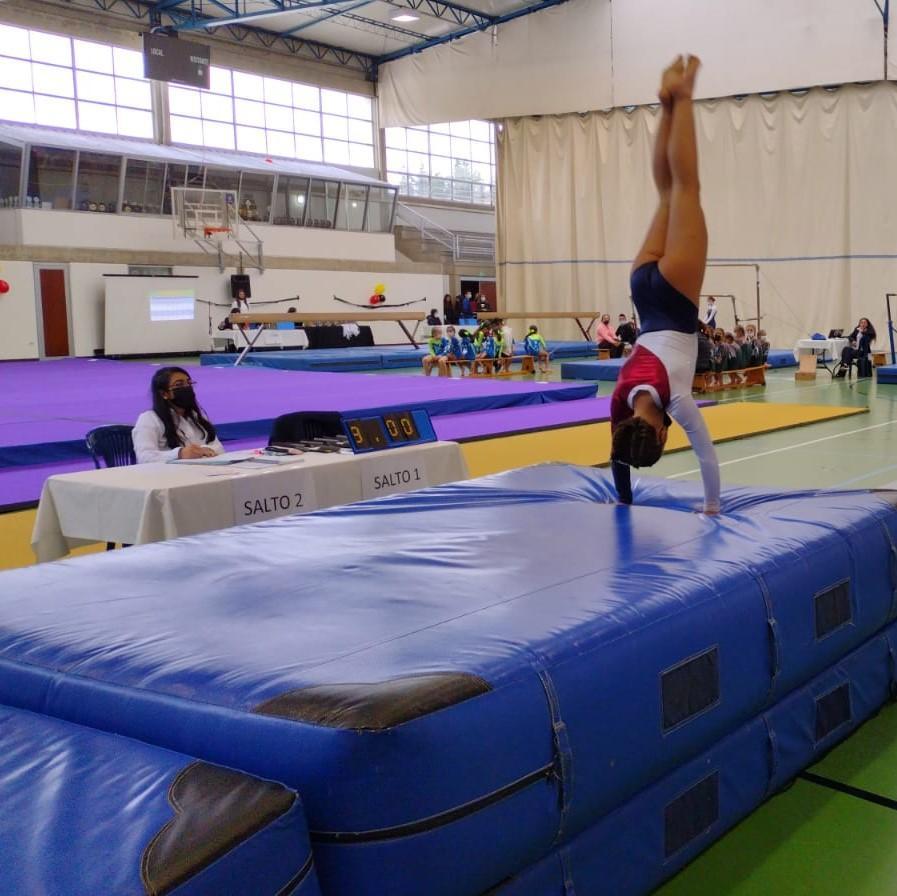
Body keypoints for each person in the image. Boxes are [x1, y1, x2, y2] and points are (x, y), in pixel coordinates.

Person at [610, 55, 720, 514]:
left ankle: (684, 96)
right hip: (642, 289)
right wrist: (623, 498)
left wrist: (711, 506)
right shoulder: (619, 402)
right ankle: (667, 106)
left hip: (675, 299)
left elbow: (706, 455)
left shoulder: (678, 399)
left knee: (686, 189)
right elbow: (617, 460)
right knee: (666, 195)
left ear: (659, 434)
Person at [133, 367, 223, 463]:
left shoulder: (197, 417)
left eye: (189, 383)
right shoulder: (149, 419)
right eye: (179, 385)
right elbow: (144, 457)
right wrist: (179, 454)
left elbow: (219, 448)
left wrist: (205, 450)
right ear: (164, 394)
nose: (186, 387)